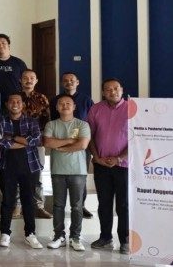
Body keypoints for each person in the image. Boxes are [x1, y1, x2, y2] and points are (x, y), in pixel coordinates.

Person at [0, 93, 43, 249]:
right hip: (7, 167)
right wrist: (24, 141)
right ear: (7, 104)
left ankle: (30, 234)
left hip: (30, 166)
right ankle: (5, 234)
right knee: (8, 201)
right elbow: (1, 142)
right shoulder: (0, 121)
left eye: (18, 101)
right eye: (12, 101)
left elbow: (36, 140)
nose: (15, 103)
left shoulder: (31, 121)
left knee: (28, 201)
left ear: (22, 105)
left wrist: (13, 137)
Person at [43, 95, 90, 252]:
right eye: (61, 104)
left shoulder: (83, 124)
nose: (64, 106)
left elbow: (82, 145)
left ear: (74, 106)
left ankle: (75, 237)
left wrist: (61, 146)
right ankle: (59, 236)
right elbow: (48, 143)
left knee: (77, 206)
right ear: (56, 107)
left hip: (78, 171)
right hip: (58, 170)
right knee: (58, 205)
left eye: (68, 103)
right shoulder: (51, 124)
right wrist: (70, 140)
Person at [87, 78, 129, 255]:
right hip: (101, 165)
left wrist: (119, 158)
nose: (113, 92)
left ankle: (125, 240)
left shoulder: (132, 109)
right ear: (103, 92)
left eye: (116, 88)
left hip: (124, 166)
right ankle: (105, 237)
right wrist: (96, 158)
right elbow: (89, 136)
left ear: (122, 89)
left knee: (124, 205)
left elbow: (138, 138)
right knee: (104, 203)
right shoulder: (95, 109)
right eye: (108, 89)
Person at [49, 72, 94, 218]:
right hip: (60, 140)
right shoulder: (56, 100)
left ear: (78, 82)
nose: (69, 82)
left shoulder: (86, 100)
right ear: (62, 83)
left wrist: (82, 141)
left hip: (81, 141)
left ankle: (82, 205)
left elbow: (91, 120)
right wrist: (64, 142)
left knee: (82, 176)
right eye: (66, 80)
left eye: (72, 80)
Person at [20, 69, 52, 219]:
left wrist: (42, 139)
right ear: (20, 80)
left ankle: (38, 205)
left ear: (36, 80)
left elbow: (47, 121)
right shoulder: (15, 97)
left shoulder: (42, 99)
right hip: (17, 142)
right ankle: (17, 206)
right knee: (18, 175)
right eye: (25, 78)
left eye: (32, 78)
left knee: (37, 175)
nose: (28, 80)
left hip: (37, 142)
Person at [0, 33, 27, 114]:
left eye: (3, 43)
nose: (1, 45)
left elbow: (25, 82)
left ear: (9, 46)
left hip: (15, 103)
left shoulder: (19, 63)